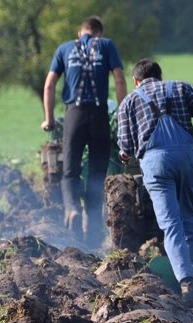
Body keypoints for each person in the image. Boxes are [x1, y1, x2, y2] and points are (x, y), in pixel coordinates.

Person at [117, 58, 193, 307]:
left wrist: (129, 153)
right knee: (189, 217)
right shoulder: (178, 87)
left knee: (170, 224)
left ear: (135, 81)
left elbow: (124, 147)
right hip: (187, 159)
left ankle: (187, 281)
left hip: (156, 164)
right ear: (160, 76)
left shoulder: (130, 101)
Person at [41, 16, 127, 248]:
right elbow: (119, 79)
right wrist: (123, 113)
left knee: (70, 169)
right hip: (99, 115)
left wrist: (48, 119)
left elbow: (49, 84)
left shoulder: (64, 49)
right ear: (98, 33)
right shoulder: (107, 45)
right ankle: (92, 220)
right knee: (97, 173)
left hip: (74, 115)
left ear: (81, 32)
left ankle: (72, 209)